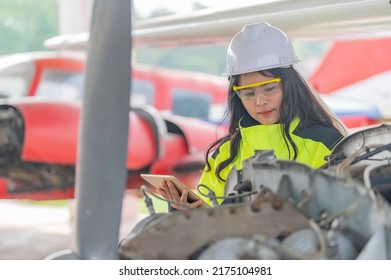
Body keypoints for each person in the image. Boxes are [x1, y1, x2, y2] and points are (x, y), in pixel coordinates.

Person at [157, 22, 346, 209]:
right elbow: (209, 217)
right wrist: (186, 213)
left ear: (291, 86)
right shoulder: (225, 155)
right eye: (248, 93)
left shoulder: (327, 145)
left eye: (270, 88)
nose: (260, 101)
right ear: (236, 96)